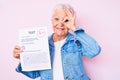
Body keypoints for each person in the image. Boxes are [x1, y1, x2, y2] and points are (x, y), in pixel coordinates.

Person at [13, 3, 101, 80]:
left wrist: (74, 28)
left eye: (66, 20)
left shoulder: (76, 41)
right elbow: (33, 74)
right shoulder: (42, 43)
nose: (60, 24)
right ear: (51, 21)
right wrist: (24, 57)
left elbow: (94, 50)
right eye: (56, 19)